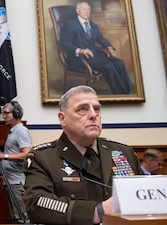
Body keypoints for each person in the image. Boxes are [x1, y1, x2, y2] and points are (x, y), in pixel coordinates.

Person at [23, 85, 143, 225]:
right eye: (82, 109)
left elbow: (146, 195)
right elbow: (37, 204)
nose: (93, 115)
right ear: (63, 119)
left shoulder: (123, 152)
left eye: (96, 109)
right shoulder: (42, 157)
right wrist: (97, 211)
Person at [60, 1, 133, 94]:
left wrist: (109, 47)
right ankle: (120, 93)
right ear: (78, 11)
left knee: (119, 63)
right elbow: (65, 43)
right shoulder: (70, 24)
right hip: (79, 58)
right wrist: (80, 50)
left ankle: (129, 91)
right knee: (108, 65)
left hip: (95, 55)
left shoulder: (93, 25)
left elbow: (101, 39)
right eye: (83, 9)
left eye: (88, 9)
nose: (86, 11)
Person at [0, 101, 31, 224]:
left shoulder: (21, 131)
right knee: (16, 219)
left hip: (17, 183)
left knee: (23, 219)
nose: (3, 117)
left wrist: (2, 155)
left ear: (16, 114)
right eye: (3, 113)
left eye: (6, 113)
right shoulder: (13, 131)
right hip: (10, 182)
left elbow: (27, 154)